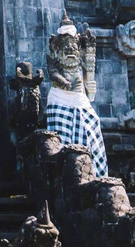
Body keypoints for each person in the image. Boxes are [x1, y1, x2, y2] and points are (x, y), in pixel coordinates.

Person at [45, 14, 108, 177]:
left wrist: (90, 82)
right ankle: (63, 170)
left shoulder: (80, 60)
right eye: (65, 45)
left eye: (73, 45)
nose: (70, 49)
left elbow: (88, 79)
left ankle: (96, 171)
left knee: (93, 121)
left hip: (80, 98)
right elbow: (53, 73)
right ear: (57, 46)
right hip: (60, 98)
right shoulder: (54, 57)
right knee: (60, 135)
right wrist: (63, 81)